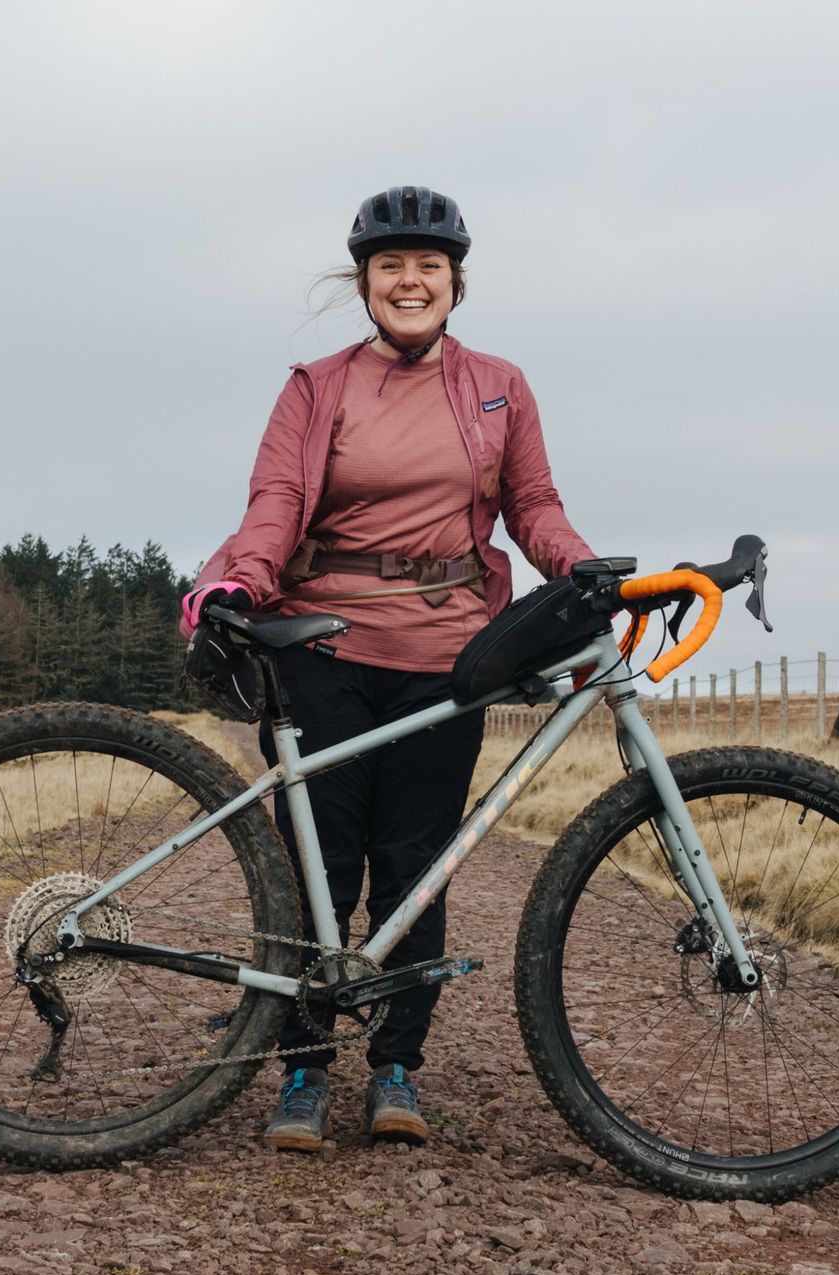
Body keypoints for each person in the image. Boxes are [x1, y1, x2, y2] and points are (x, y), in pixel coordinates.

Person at [180, 186, 596, 1152]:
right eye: (391, 267)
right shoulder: (316, 385)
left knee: (416, 869)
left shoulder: (501, 386)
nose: (411, 281)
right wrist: (243, 581)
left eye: (429, 267)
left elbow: (534, 504)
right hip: (322, 650)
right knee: (315, 867)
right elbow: (277, 496)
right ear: (365, 282)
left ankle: (397, 1067)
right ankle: (303, 1071)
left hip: (449, 658)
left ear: (456, 282)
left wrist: (583, 572)